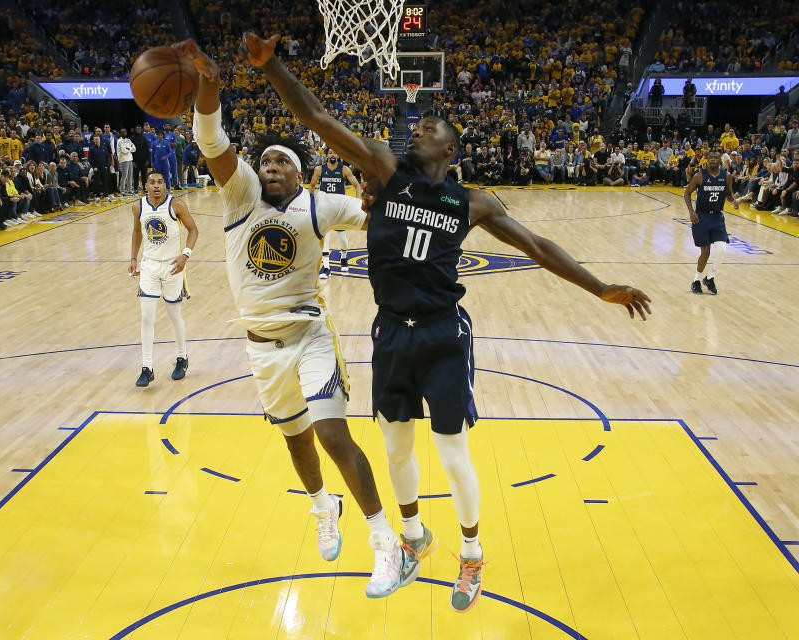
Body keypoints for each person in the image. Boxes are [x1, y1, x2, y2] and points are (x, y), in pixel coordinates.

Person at [239, 31, 652, 612]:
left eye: (431, 130)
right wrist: (272, 65)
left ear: (450, 152)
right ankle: (411, 542)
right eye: (418, 126)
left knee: (452, 451)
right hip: (390, 332)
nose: (419, 131)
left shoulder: (473, 201)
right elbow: (317, 118)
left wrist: (600, 286)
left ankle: (471, 552)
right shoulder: (384, 167)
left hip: (442, 333)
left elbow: (537, 244)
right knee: (396, 450)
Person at [176, 38, 411, 600]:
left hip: (309, 334)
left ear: (300, 172)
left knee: (331, 432)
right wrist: (208, 85)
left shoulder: (319, 206)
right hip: (260, 347)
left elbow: (380, 217)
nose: (271, 166)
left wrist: (384, 203)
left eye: (283, 161)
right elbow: (210, 139)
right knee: (297, 441)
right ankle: (321, 505)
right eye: (266, 161)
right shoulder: (241, 198)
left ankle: (388, 544)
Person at [129, 171, 199, 385]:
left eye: (160, 182)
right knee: (147, 317)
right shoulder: (138, 207)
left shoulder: (176, 204)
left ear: (165, 185)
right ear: (145, 186)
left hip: (172, 266)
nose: (156, 185)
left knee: (174, 315)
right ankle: (147, 367)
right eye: (152, 182)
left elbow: (193, 230)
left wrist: (185, 255)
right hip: (149, 266)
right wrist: (133, 257)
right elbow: (137, 231)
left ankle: (182, 357)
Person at [683, 150, 739, 295]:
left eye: (716, 157)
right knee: (705, 252)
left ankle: (710, 277)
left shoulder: (726, 176)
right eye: (711, 157)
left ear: (720, 160)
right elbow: (687, 193)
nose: (713, 159)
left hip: (717, 218)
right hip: (701, 217)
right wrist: (691, 211)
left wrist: (733, 201)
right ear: (707, 160)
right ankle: (696, 280)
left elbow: (728, 193)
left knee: (722, 249)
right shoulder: (699, 176)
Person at [309, 150, 361, 278]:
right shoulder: (319, 169)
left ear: (338, 156)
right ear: (327, 155)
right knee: (324, 237)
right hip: (324, 208)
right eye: (330, 153)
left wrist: (358, 201)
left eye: (335, 153)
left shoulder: (344, 169)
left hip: (340, 209)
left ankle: (344, 258)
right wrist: (310, 202)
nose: (333, 155)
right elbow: (311, 185)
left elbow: (357, 185)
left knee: (342, 238)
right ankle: (326, 267)